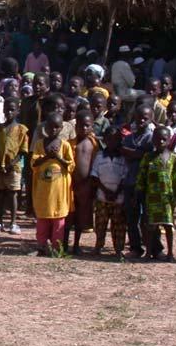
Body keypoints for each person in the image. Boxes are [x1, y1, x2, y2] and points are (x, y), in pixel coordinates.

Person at [136, 126, 176, 262]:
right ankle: (148, 252)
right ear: (153, 140)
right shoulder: (148, 157)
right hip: (152, 198)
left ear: (169, 140)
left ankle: (170, 253)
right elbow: (141, 176)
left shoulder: (173, 158)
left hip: (167, 199)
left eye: (164, 139)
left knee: (169, 226)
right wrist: (139, 192)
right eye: (158, 139)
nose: (161, 142)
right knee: (151, 227)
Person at [29, 112, 74, 255]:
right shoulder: (39, 144)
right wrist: (47, 157)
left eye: (56, 127)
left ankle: (56, 249)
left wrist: (58, 158)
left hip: (59, 192)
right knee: (42, 221)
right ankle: (41, 247)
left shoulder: (65, 146)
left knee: (58, 221)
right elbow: (33, 164)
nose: (53, 130)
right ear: (45, 128)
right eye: (50, 127)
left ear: (61, 128)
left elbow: (71, 166)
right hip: (43, 191)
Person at [0, 97, 29, 233]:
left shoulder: (22, 130)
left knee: (12, 194)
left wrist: (11, 164)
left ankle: (13, 222)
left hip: (14, 167)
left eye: (12, 110)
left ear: (18, 111)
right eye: (7, 109)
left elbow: (23, 151)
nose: (9, 112)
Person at [121, 104, 155, 257]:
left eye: (145, 118)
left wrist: (134, 153)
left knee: (148, 219)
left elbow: (143, 155)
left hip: (146, 184)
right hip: (130, 182)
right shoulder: (129, 137)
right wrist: (137, 153)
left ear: (151, 119)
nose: (141, 120)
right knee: (131, 217)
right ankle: (135, 247)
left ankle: (153, 248)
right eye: (139, 117)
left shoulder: (152, 138)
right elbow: (130, 153)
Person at [91, 127, 128, 259]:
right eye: (109, 139)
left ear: (120, 140)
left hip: (119, 198)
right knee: (100, 223)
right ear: (105, 140)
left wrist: (116, 192)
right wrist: (105, 191)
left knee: (119, 225)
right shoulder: (100, 156)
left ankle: (118, 249)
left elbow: (125, 177)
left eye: (115, 139)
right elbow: (95, 176)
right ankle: (98, 245)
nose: (112, 142)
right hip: (102, 196)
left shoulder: (123, 158)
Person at [67, 110, 98, 255]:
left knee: (81, 216)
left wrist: (92, 184)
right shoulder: (69, 143)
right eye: (81, 126)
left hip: (86, 186)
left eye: (87, 126)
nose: (84, 129)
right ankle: (64, 242)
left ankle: (77, 244)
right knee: (68, 216)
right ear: (75, 126)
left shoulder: (94, 144)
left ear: (92, 126)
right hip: (70, 185)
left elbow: (96, 164)